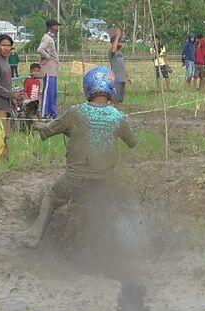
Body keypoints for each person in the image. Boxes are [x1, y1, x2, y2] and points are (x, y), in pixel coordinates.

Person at [24, 66, 137, 248]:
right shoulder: (118, 117)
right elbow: (133, 143)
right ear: (111, 90)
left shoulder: (75, 112)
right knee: (126, 205)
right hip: (107, 178)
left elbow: (48, 130)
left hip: (75, 178)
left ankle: (34, 235)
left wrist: (35, 123)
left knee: (51, 197)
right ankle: (136, 241)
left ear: (87, 88)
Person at [0, 34, 19, 161]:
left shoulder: (5, 63)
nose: (6, 48)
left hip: (6, 105)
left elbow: (7, 84)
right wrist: (12, 94)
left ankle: (5, 162)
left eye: (8, 46)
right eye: (3, 45)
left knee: (6, 136)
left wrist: (13, 99)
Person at [37, 19, 60, 119]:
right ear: (51, 27)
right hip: (48, 70)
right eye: (56, 26)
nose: (57, 28)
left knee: (53, 93)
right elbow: (39, 50)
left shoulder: (51, 38)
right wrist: (47, 57)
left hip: (53, 70)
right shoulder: (46, 38)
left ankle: (53, 114)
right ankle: (44, 115)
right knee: (47, 93)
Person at [109, 28, 133, 105]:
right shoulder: (111, 52)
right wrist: (117, 37)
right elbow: (113, 50)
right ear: (113, 43)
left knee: (119, 100)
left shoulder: (120, 53)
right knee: (114, 99)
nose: (121, 44)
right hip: (116, 79)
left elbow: (123, 66)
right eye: (119, 42)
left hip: (122, 79)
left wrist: (128, 77)